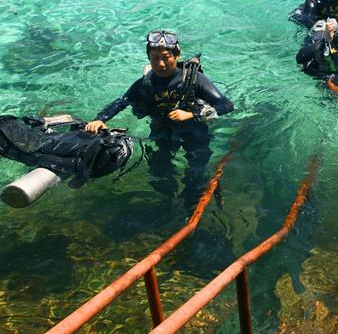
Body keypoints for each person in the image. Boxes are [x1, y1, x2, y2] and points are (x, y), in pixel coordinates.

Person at [85, 30, 234, 204]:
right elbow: (121, 102)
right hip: (163, 129)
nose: (161, 64)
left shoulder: (196, 80)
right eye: (155, 58)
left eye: (166, 57)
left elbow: (226, 105)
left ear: (177, 55)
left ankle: (192, 202)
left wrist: (191, 114)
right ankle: (166, 202)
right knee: (160, 170)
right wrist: (100, 119)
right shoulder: (146, 83)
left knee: (196, 172)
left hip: (194, 129)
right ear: (149, 58)